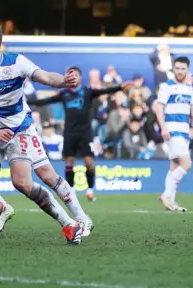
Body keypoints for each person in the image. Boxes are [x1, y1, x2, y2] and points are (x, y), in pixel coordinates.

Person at [0, 19, 89, 245]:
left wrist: (65, 82)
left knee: (27, 182)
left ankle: (73, 222)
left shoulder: (16, 62)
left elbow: (48, 78)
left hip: (20, 130)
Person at [30, 66, 132, 201]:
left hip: (85, 133)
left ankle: (90, 190)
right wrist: (25, 100)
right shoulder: (64, 94)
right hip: (70, 133)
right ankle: (71, 191)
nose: (73, 77)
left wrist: (120, 87)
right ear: (67, 77)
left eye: (76, 75)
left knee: (89, 162)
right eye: (70, 75)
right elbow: (44, 101)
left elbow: (105, 90)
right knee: (69, 162)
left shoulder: (88, 91)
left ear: (80, 77)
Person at [154, 57, 193, 212]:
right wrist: (163, 128)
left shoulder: (188, 88)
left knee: (175, 166)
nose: (179, 71)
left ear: (187, 70)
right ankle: (166, 195)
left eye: (183, 68)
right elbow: (159, 108)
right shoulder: (167, 86)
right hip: (172, 130)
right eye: (177, 68)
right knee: (186, 164)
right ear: (173, 69)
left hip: (184, 132)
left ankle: (170, 201)